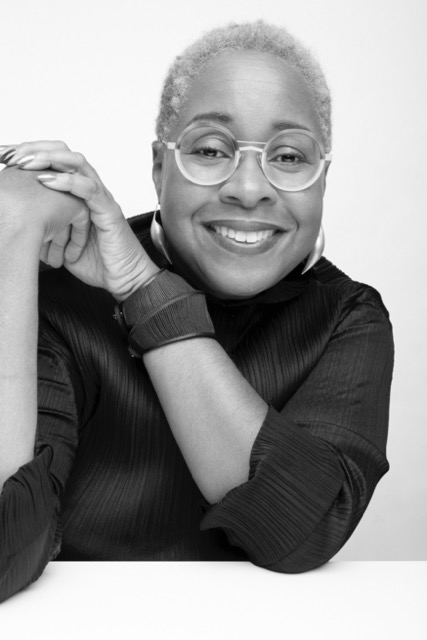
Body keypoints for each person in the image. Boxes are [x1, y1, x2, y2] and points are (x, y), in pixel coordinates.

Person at [0, 20, 393, 603]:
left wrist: (141, 287)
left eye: (288, 156)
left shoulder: (347, 317)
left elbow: (301, 531)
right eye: (210, 149)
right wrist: (11, 233)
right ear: (159, 167)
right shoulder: (63, 296)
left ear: (323, 180)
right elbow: (7, 549)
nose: (250, 188)